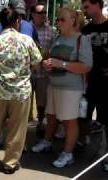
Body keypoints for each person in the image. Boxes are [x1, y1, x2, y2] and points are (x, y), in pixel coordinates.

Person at [0, 7, 42, 174]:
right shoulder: (27, 41)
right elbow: (36, 64)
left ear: (2, 23)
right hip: (21, 93)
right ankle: (10, 163)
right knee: (17, 130)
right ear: (17, 22)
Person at [31, 8, 93, 168]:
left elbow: (86, 66)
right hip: (54, 85)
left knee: (69, 122)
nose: (57, 22)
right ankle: (48, 141)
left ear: (73, 20)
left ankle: (68, 153)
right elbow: (51, 58)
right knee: (50, 116)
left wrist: (62, 64)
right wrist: (48, 63)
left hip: (71, 89)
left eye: (61, 19)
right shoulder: (58, 37)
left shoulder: (81, 39)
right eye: (57, 19)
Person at [81, 0, 108, 171]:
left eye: (87, 6)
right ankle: (81, 143)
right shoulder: (86, 30)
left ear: (97, 5)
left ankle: (105, 154)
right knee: (83, 115)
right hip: (88, 81)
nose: (84, 10)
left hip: (106, 83)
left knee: (106, 120)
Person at [30, 2, 57, 136]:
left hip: (43, 73)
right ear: (33, 14)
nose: (44, 15)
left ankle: (40, 123)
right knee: (25, 101)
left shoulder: (51, 30)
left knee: (42, 101)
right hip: (28, 72)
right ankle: (22, 126)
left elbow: (56, 48)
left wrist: (49, 54)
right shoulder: (26, 28)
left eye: (45, 12)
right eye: (40, 12)